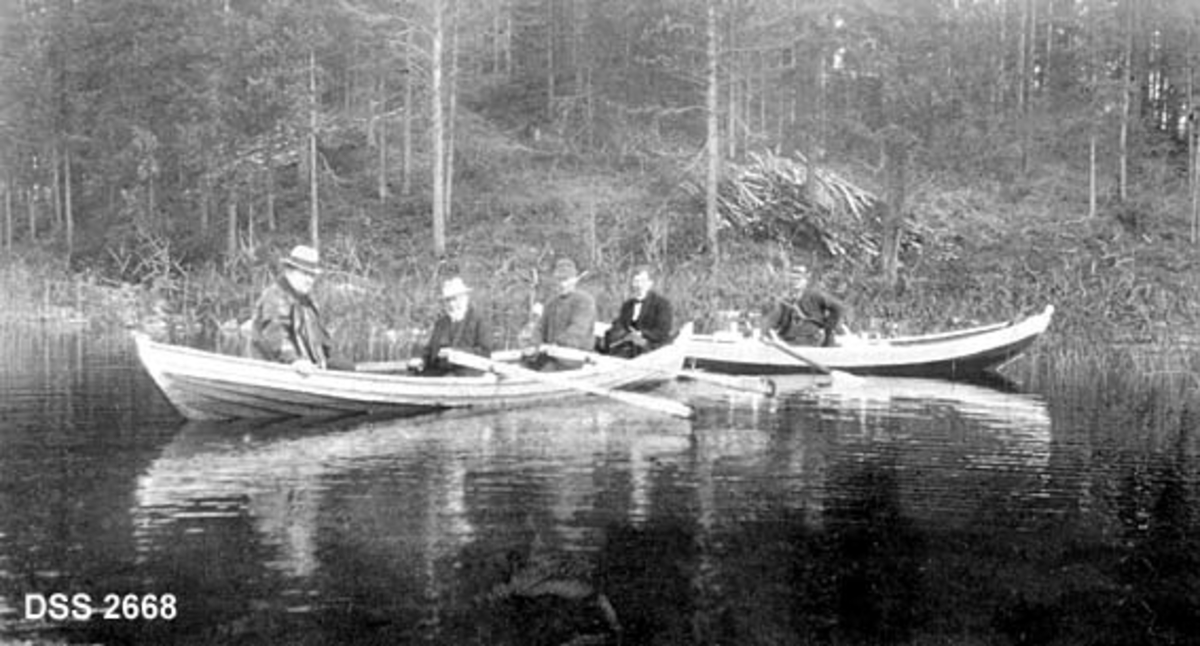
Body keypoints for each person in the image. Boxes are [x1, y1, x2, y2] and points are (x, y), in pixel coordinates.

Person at [249, 244, 348, 372]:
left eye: (312, 276)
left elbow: (322, 340)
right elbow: (276, 334)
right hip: (278, 369)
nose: (309, 280)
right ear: (289, 271)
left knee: (347, 367)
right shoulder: (275, 296)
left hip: (309, 368)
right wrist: (294, 360)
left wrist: (333, 360)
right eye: (304, 274)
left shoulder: (306, 302)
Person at [408, 277, 493, 376]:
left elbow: (485, 352)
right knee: (414, 374)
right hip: (441, 374)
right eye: (448, 300)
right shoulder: (441, 323)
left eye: (455, 299)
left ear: (464, 298)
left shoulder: (478, 320)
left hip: (468, 374)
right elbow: (430, 351)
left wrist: (455, 353)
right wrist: (421, 360)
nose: (451, 304)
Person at [526, 257, 596, 371]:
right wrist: (534, 344)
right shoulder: (551, 303)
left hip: (574, 356)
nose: (562, 284)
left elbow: (578, 330)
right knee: (524, 364)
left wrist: (558, 344)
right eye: (559, 280)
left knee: (546, 371)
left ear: (574, 280)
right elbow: (540, 327)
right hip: (550, 354)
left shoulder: (584, 301)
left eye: (566, 280)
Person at [761, 265, 847, 347]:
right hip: (788, 342)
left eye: (798, 279)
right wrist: (765, 331)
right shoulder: (784, 299)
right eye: (792, 279)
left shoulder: (815, 295)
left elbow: (839, 308)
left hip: (811, 341)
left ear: (805, 280)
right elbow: (772, 319)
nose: (795, 282)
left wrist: (829, 331)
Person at [599, 265, 673, 358]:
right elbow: (621, 323)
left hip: (651, 348)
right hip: (628, 345)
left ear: (650, 283)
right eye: (636, 281)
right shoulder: (628, 305)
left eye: (642, 281)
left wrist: (641, 333)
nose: (638, 285)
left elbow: (662, 332)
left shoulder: (662, 304)